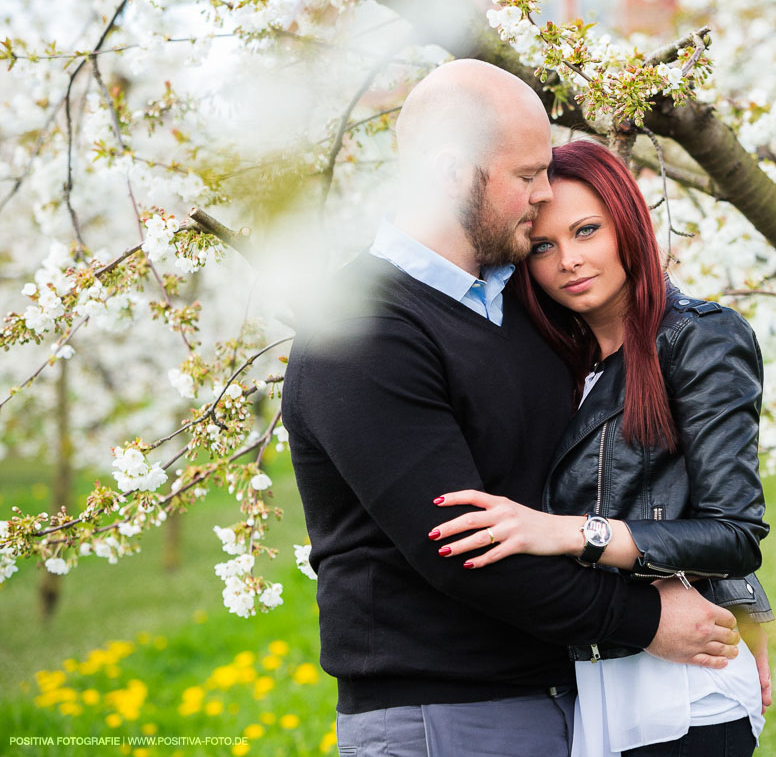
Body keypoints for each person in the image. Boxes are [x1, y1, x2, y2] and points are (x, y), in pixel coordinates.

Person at [281, 60, 742, 757]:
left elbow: (649, 475)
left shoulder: (528, 308)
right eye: (527, 175)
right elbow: (463, 547)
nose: (545, 193)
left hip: (571, 696)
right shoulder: (361, 332)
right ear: (451, 173)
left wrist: (734, 611)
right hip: (443, 710)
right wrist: (649, 618)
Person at [430, 138, 773, 756]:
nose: (569, 260)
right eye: (543, 245)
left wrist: (568, 532)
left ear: (628, 226)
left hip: (687, 693)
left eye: (587, 230)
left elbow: (735, 530)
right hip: (591, 687)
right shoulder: (554, 364)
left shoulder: (701, 340)